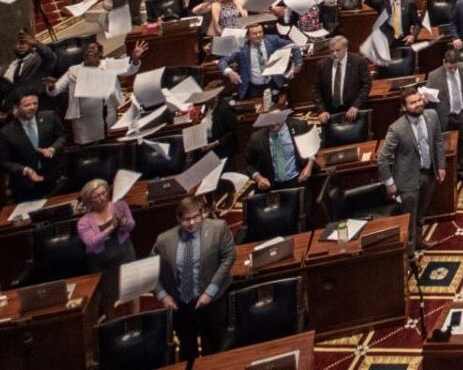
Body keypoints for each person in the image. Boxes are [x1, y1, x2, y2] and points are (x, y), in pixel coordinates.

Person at [154, 197, 235, 359]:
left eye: (196, 217)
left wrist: (210, 292)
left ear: (202, 213)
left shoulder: (218, 228)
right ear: (178, 218)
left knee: (213, 347)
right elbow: (151, 271)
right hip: (181, 306)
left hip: (212, 301)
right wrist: (163, 296)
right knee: (187, 349)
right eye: (186, 219)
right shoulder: (164, 240)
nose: (192, 223)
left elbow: (229, 257)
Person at [378, 89, 446, 252]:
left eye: (419, 100)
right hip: (407, 180)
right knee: (409, 219)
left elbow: (438, 141)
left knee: (421, 214)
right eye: (413, 103)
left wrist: (441, 165)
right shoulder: (396, 129)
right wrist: (390, 183)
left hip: (429, 173)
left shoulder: (432, 116)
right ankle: (409, 255)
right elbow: (382, 159)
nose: (418, 105)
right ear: (403, 107)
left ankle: (418, 242)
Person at [52, 39, 145, 144]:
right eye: (86, 50)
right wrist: (51, 87)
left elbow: (130, 70)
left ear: (100, 53)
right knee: (87, 148)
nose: (89, 51)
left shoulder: (109, 65)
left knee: (108, 142)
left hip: (107, 113)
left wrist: (135, 58)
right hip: (83, 119)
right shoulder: (74, 70)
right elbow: (55, 90)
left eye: (92, 48)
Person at [76, 178, 135, 302]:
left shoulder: (120, 205)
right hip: (102, 263)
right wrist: (111, 228)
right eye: (97, 196)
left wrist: (123, 221)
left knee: (132, 290)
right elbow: (91, 241)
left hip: (124, 253)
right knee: (108, 297)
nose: (102, 198)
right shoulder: (83, 222)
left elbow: (131, 225)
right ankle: (111, 320)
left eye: (104, 193)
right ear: (89, 201)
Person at [0, 90, 66, 199]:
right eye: (27, 105)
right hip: (25, 187)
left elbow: (62, 136)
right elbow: (3, 161)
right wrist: (24, 169)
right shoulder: (6, 132)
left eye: (35, 103)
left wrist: (53, 149)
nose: (32, 107)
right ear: (17, 107)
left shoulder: (50, 117)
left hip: (53, 181)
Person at [427, 48, 463, 186]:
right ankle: (449, 174)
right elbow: (429, 97)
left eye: (455, 67)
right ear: (444, 62)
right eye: (450, 67)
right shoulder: (434, 76)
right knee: (444, 146)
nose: (452, 70)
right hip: (445, 116)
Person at [245, 110, 316, 192]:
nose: (273, 123)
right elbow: (249, 165)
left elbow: (312, 147)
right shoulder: (257, 138)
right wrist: (258, 178)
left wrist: (309, 166)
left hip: (297, 180)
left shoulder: (299, 126)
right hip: (271, 186)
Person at [219, 23, 292, 100]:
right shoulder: (242, 49)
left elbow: (291, 45)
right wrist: (230, 72)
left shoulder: (272, 41)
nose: (258, 35)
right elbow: (222, 62)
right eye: (254, 33)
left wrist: (298, 63)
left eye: (260, 32)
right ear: (248, 36)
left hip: (272, 83)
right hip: (254, 88)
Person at [314, 35, 370, 124]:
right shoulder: (322, 65)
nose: (334, 54)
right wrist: (321, 110)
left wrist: (356, 105)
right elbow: (316, 89)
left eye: (338, 50)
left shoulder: (359, 61)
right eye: (331, 51)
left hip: (353, 110)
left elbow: (366, 85)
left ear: (346, 48)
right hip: (330, 113)